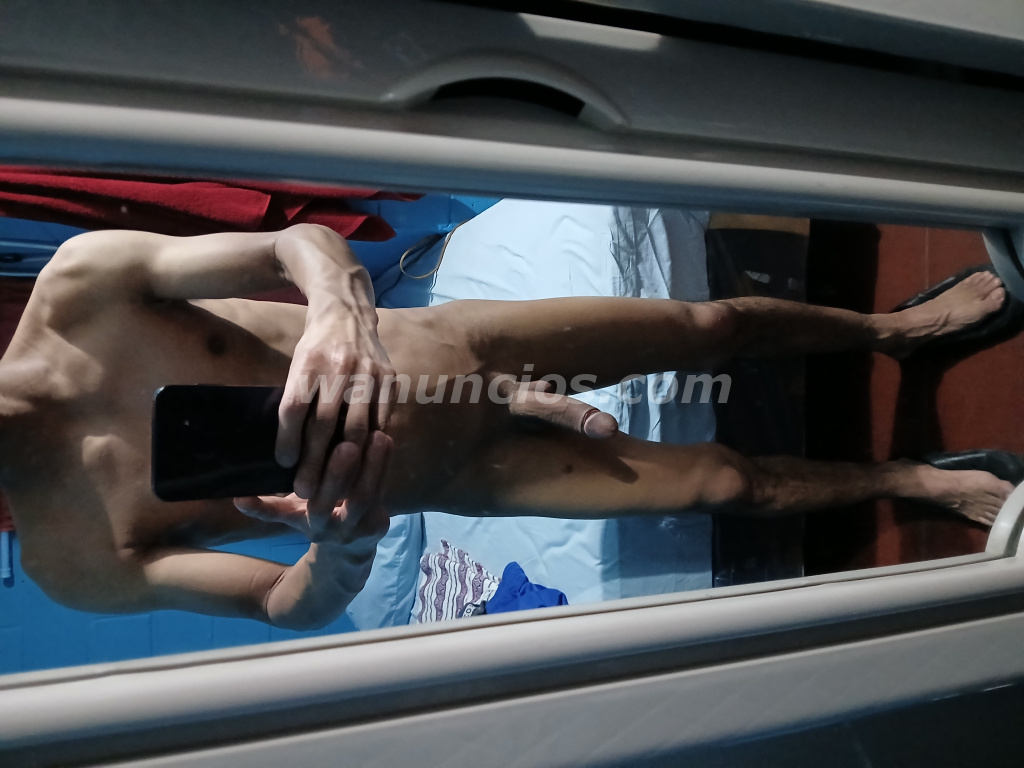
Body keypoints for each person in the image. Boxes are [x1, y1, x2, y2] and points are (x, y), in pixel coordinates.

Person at [0, 224, 1016, 629]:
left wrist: (338, 310)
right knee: (726, 484)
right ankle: (915, 481)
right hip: (464, 479)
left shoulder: (80, 291)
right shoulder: (69, 558)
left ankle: (894, 330)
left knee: (709, 327)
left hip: (463, 349)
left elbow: (297, 244)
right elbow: (283, 606)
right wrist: (341, 553)